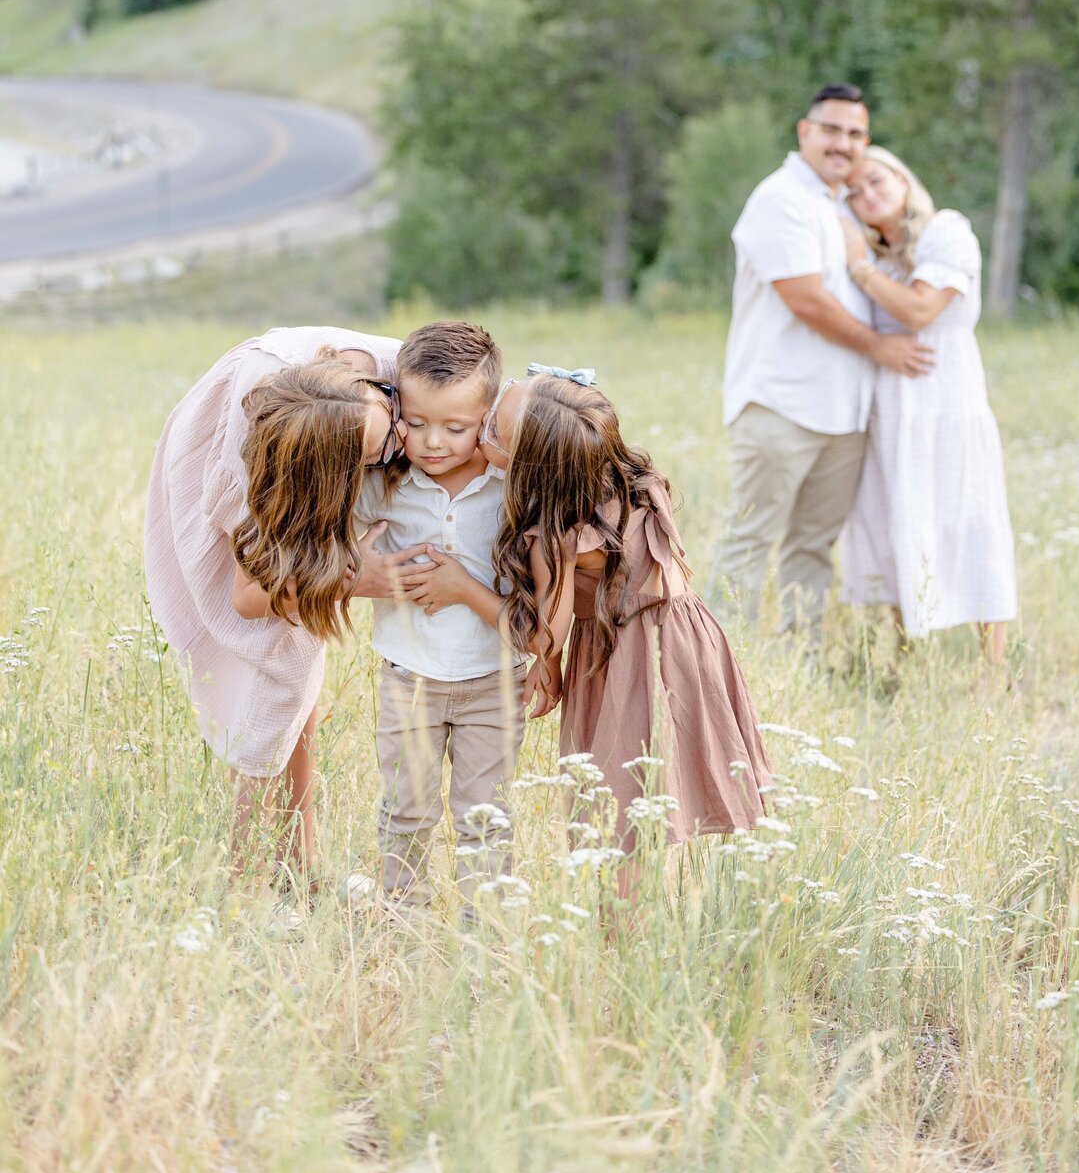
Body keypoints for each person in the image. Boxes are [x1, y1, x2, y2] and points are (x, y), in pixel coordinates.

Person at [144, 326, 424, 877]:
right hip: (235, 436)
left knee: (299, 662)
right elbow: (249, 598)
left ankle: (300, 862)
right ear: (332, 480)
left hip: (301, 418)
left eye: (392, 419)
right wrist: (351, 578)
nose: (403, 439)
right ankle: (249, 877)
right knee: (276, 664)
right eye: (380, 451)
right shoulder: (261, 465)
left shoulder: (401, 379)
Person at [472, 374, 771, 885]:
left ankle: (626, 937)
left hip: (633, 658)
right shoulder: (635, 484)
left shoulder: (562, 538)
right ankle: (655, 919)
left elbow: (544, 635)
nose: (481, 429)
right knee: (657, 796)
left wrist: (463, 590)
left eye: (493, 431)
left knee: (624, 809)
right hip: (686, 639)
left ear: (530, 470)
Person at [715, 84, 935, 641]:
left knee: (812, 547)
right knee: (749, 541)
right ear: (805, 132)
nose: (844, 143)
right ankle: (713, 670)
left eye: (856, 134)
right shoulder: (781, 197)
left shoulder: (844, 204)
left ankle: (799, 662)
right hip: (780, 404)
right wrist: (879, 347)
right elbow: (805, 298)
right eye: (832, 130)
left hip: (844, 414)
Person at [359, 321, 528, 913]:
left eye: (455, 428)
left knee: (485, 814)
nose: (433, 442)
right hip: (410, 677)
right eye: (417, 423)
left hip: (495, 680)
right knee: (407, 805)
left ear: (488, 420)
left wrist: (461, 588)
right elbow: (340, 548)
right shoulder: (384, 484)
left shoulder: (510, 487)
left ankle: (489, 930)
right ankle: (403, 914)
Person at [838, 148, 1017, 662]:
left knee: (970, 515)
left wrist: (858, 268)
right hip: (891, 405)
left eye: (874, 180)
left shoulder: (945, 231)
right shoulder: (876, 251)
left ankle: (994, 667)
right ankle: (906, 655)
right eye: (854, 192)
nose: (867, 195)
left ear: (900, 175)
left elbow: (920, 308)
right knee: (898, 517)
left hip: (946, 396)